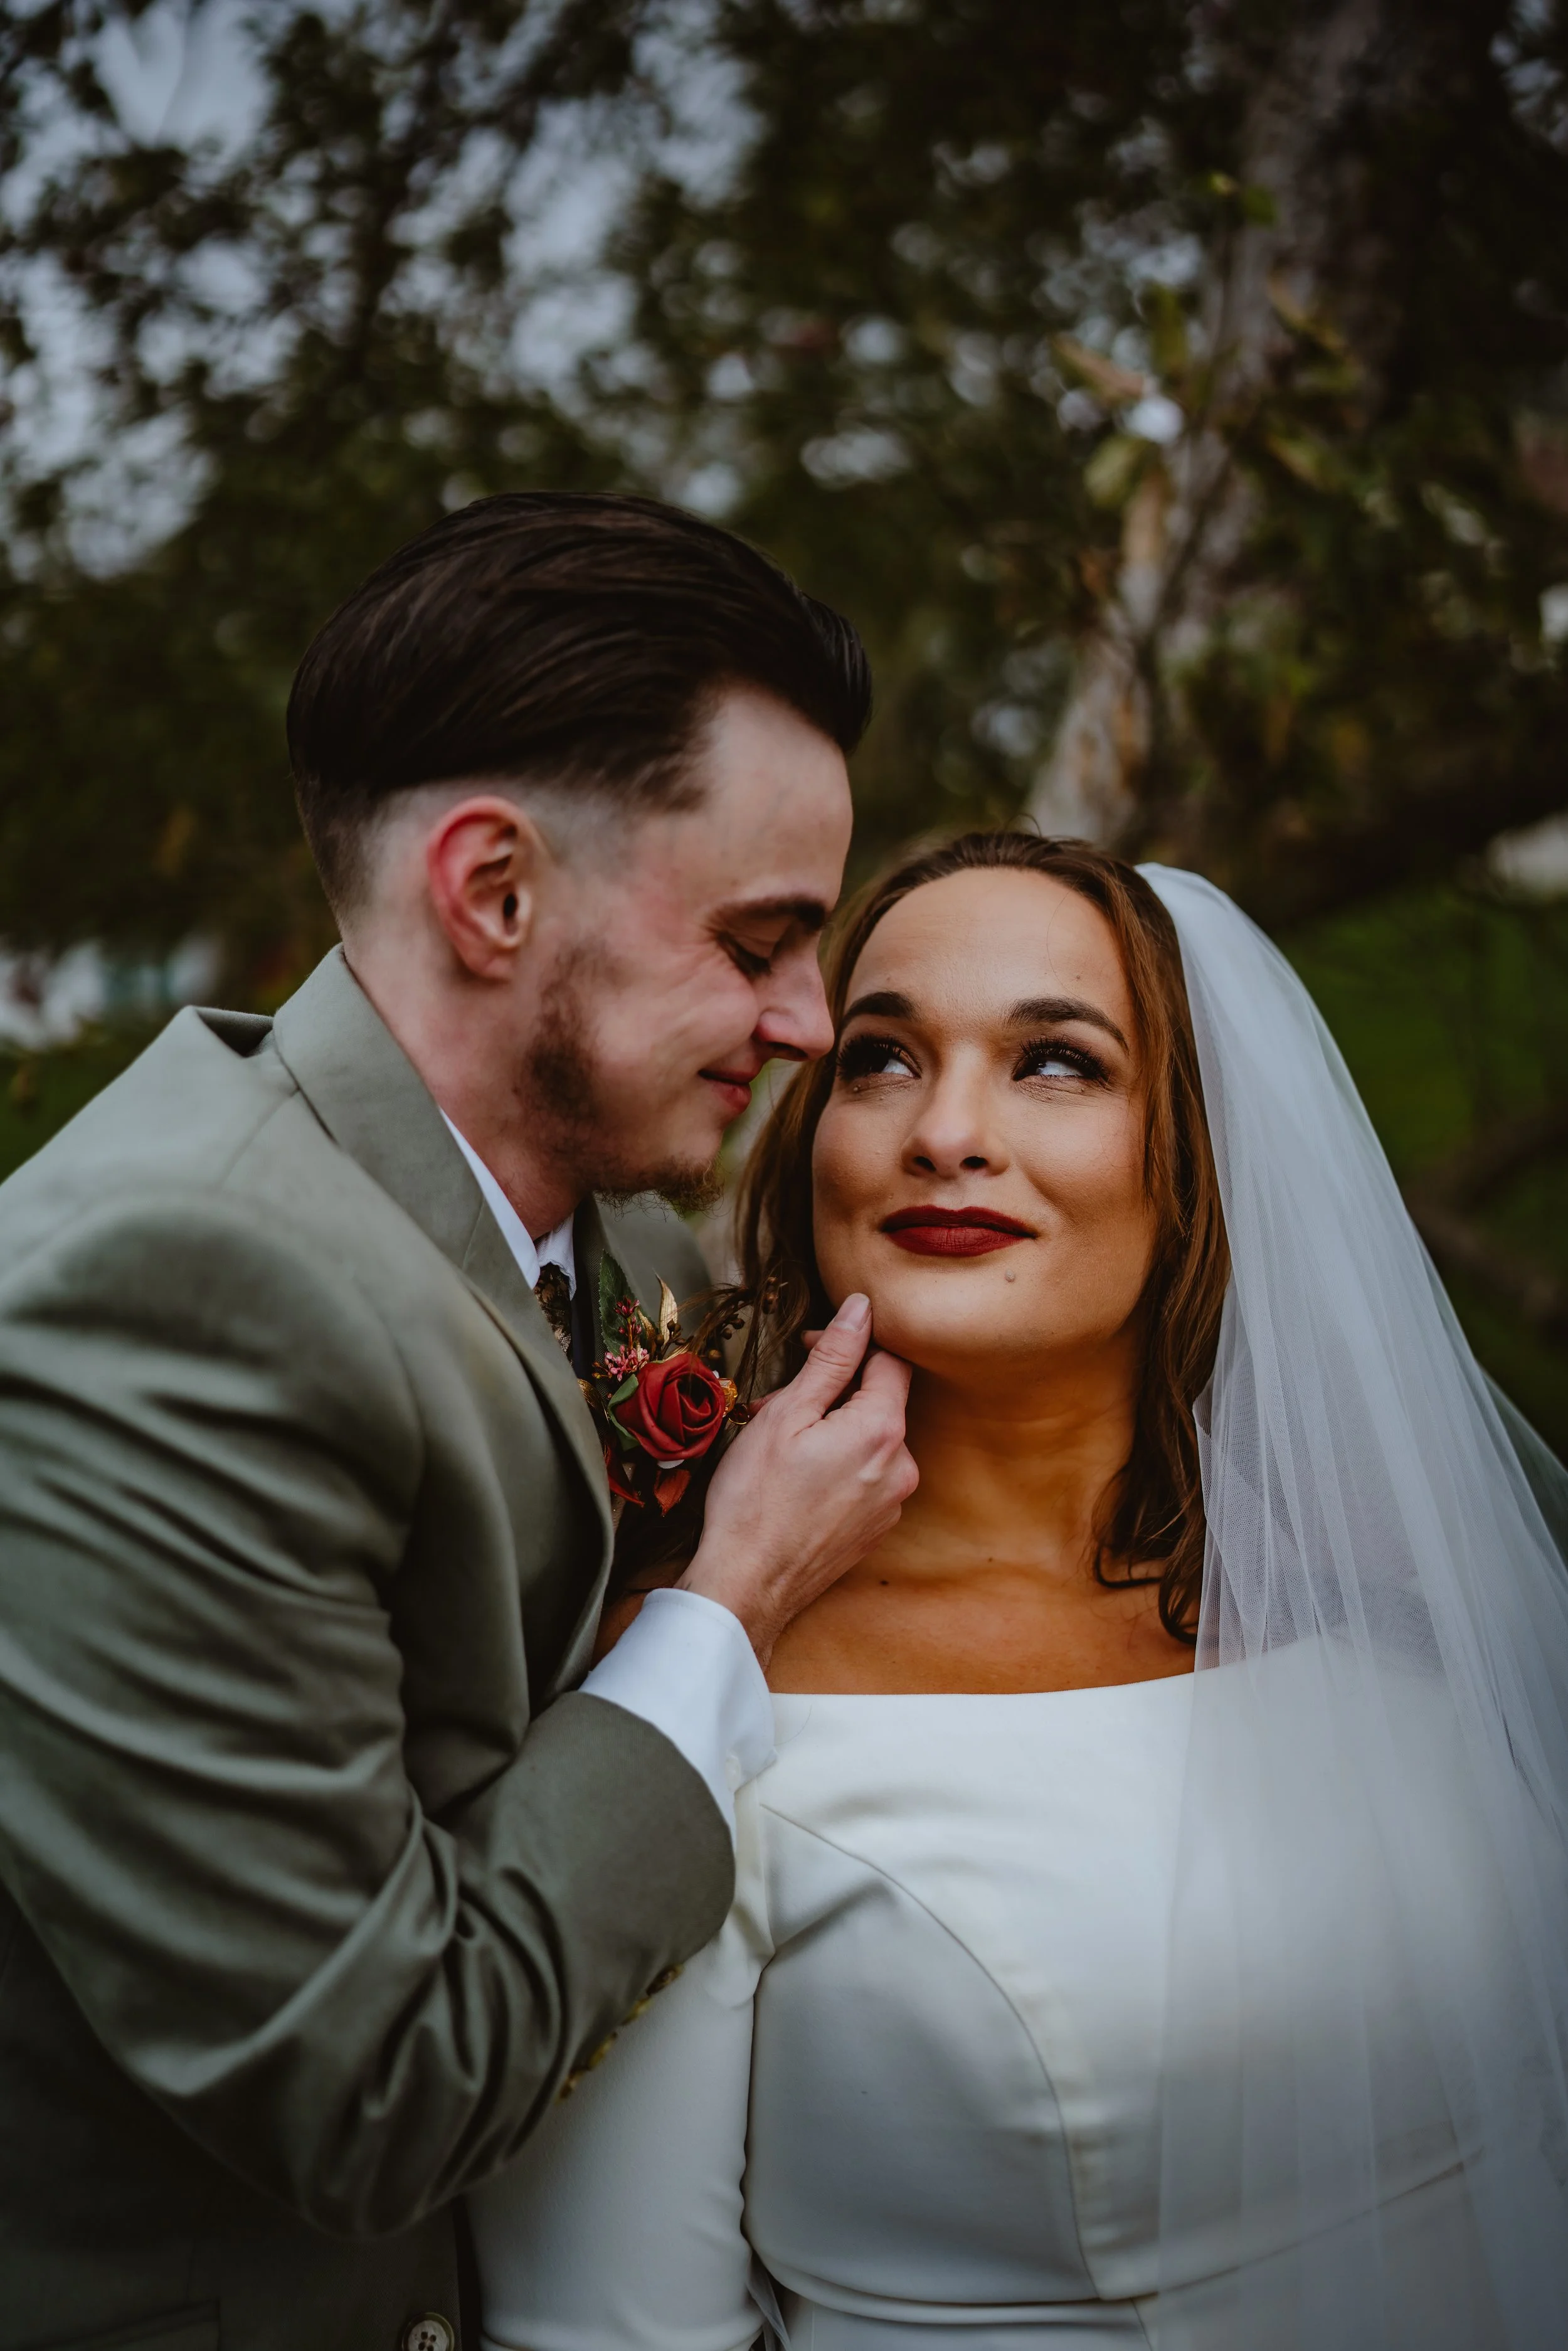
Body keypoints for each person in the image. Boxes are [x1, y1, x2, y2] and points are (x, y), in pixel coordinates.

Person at [0, 494, 917, 2351]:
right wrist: (722, 1605)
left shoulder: (629, 1232)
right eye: (759, 940)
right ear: (494, 892)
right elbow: (370, 2081)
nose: (811, 1020)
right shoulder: (166, 1295)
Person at [472, 831, 1568, 2351]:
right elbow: (601, 2324)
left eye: (1054, 1061)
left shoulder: (1392, 1617)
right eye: (878, 1060)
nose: (946, 1130)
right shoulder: (698, 1690)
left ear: (1191, 1149)